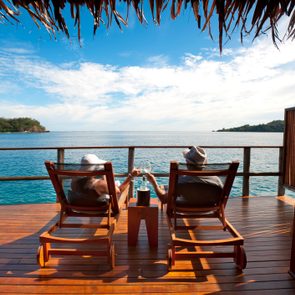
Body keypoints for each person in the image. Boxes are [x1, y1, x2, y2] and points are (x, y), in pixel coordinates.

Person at [146, 146, 223, 204]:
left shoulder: (181, 180)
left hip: (185, 207)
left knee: (163, 188)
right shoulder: (216, 180)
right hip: (208, 208)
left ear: (187, 163)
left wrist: (153, 182)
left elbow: (163, 199)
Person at [69, 153, 141, 206]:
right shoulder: (101, 184)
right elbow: (119, 191)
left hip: (78, 207)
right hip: (99, 209)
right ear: (96, 168)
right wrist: (131, 176)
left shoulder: (75, 181)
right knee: (122, 189)